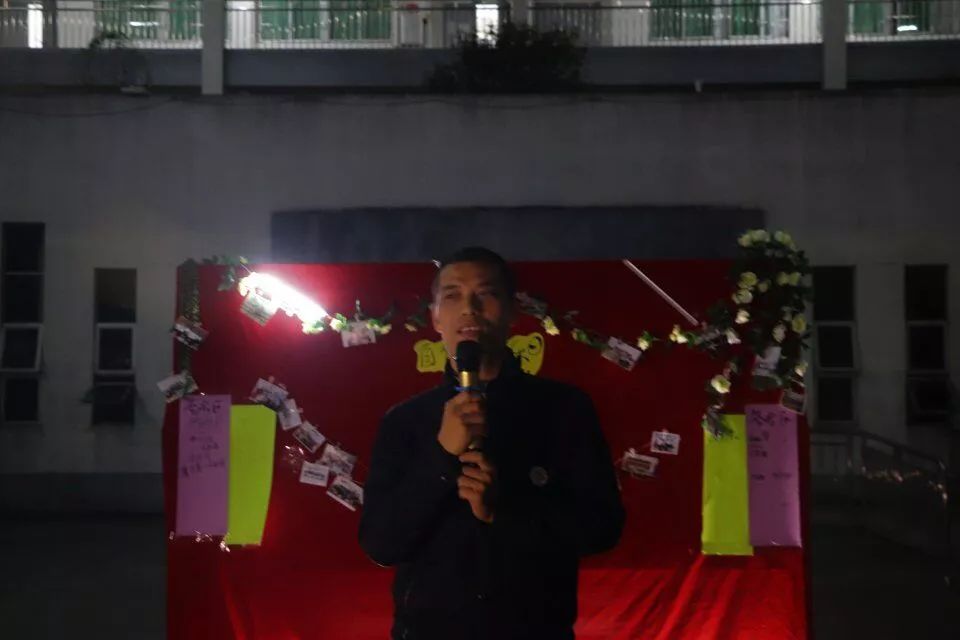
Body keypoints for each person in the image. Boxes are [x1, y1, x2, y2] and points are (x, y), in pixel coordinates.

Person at [359, 247, 625, 640]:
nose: (469, 309)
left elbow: (601, 529)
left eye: (485, 294)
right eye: (453, 296)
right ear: (435, 317)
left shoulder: (564, 408)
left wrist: (505, 510)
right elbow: (382, 543)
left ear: (512, 311)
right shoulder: (405, 421)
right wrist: (441, 456)